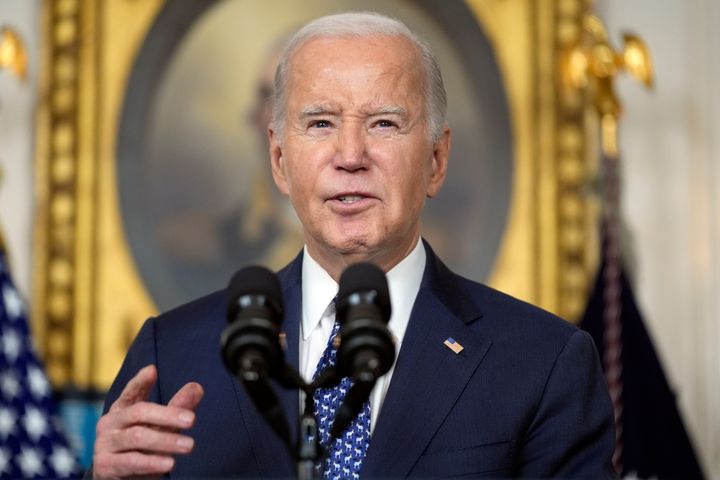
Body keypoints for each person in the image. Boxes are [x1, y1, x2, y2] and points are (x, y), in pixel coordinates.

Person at [91, 11, 615, 479]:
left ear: (435, 160)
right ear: (279, 161)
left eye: (384, 123)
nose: (350, 155)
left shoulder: (543, 364)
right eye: (321, 123)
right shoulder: (174, 355)